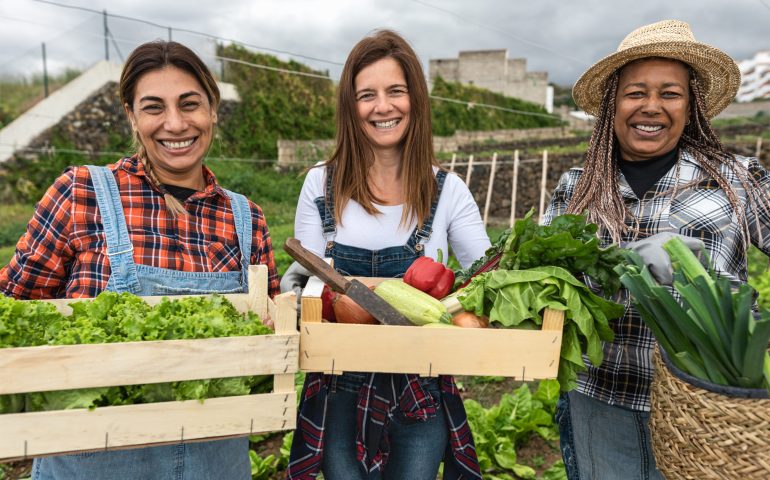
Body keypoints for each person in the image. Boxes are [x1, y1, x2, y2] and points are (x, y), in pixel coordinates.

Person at [0, 40, 280, 479]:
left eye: (190, 104)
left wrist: (271, 331)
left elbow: (269, 345)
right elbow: (12, 311)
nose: (175, 123)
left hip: (216, 462)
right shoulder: (81, 193)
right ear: (131, 116)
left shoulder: (247, 219)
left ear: (212, 111)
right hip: (92, 461)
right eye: (154, 107)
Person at [542, 19, 770, 479]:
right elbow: (545, 287)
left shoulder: (737, 179)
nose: (652, 107)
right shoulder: (576, 188)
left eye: (669, 93)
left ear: (691, 106)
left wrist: (696, 272)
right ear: (613, 105)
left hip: (706, 413)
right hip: (600, 402)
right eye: (635, 93)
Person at [282, 30, 490, 480]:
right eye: (366, 95)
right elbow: (307, 285)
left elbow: (486, 274)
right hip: (339, 383)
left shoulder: (447, 191)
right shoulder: (320, 184)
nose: (383, 107)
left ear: (415, 99)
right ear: (350, 107)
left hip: (421, 386)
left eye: (396, 91)